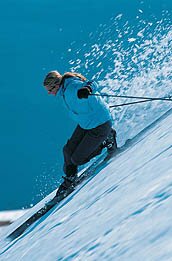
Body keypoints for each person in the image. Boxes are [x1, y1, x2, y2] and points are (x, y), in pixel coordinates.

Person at [43, 71, 117, 196]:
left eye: (49, 90)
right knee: (67, 151)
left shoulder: (72, 86)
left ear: (56, 85)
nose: (49, 93)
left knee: (77, 158)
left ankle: (108, 138)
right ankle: (70, 177)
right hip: (86, 123)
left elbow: (92, 83)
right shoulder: (65, 89)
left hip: (100, 124)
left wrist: (87, 89)